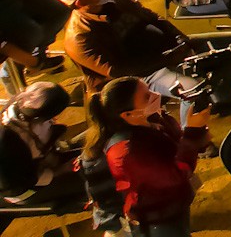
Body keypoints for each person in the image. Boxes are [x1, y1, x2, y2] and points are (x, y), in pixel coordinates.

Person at [58, 0, 231, 109]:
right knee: (192, 89)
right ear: (80, 2)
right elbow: (118, 71)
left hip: (165, 50)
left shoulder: (118, 0)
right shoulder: (79, 38)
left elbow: (154, 18)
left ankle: (223, 103)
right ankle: (192, 138)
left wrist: (180, 38)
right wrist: (167, 59)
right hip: (140, 75)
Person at [82, 76, 211, 237]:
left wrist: (196, 132)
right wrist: (193, 133)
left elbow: (178, 147)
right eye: (146, 96)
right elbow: (175, 176)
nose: (155, 95)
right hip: (153, 221)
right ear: (128, 114)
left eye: (150, 90)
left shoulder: (151, 120)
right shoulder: (125, 152)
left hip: (169, 206)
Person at [0, 81, 87, 212]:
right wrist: (61, 170)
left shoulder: (19, 105)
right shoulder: (13, 139)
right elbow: (27, 179)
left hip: (39, 166)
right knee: (94, 176)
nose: (54, 120)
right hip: (26, 190)